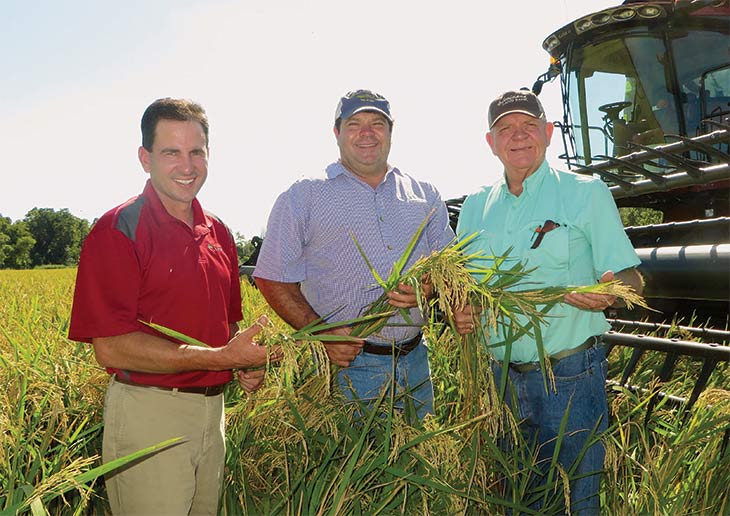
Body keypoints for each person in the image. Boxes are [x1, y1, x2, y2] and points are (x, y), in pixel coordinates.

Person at [68, 98, 279, 516]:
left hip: (212, 413)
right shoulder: (118, 230)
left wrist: (242, 361)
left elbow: (226, 326)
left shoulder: (217, 230)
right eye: (171, 152)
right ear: (145, 159)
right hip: (150, 413)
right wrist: (221, 356)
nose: (187, 165)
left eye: (196, 151)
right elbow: (112, 347)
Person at [453, 89, 643, 514]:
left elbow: (632, 278)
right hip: (500, 381)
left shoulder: (585, 193)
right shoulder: (474, 208)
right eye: (505, 129)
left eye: (528, 126)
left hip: (570, 377)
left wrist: (610, 295)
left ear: (549, 132)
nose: (518, 136)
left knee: (579, 500)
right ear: (491, 142)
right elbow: (465, 292)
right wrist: (461, 311)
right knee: (519, 500)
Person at [253, 89, 455, 420]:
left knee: (417, 462)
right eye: (354, 124)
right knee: (352, 466)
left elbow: (446, 267)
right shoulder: (304, 195)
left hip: (417, 362)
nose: (366, 133)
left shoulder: (425, 194)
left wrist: (427, 287)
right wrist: (320, 331)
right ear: (337, 133)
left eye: (377, 123)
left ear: (390, 132)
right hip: (348, 367)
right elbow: (271, 276)